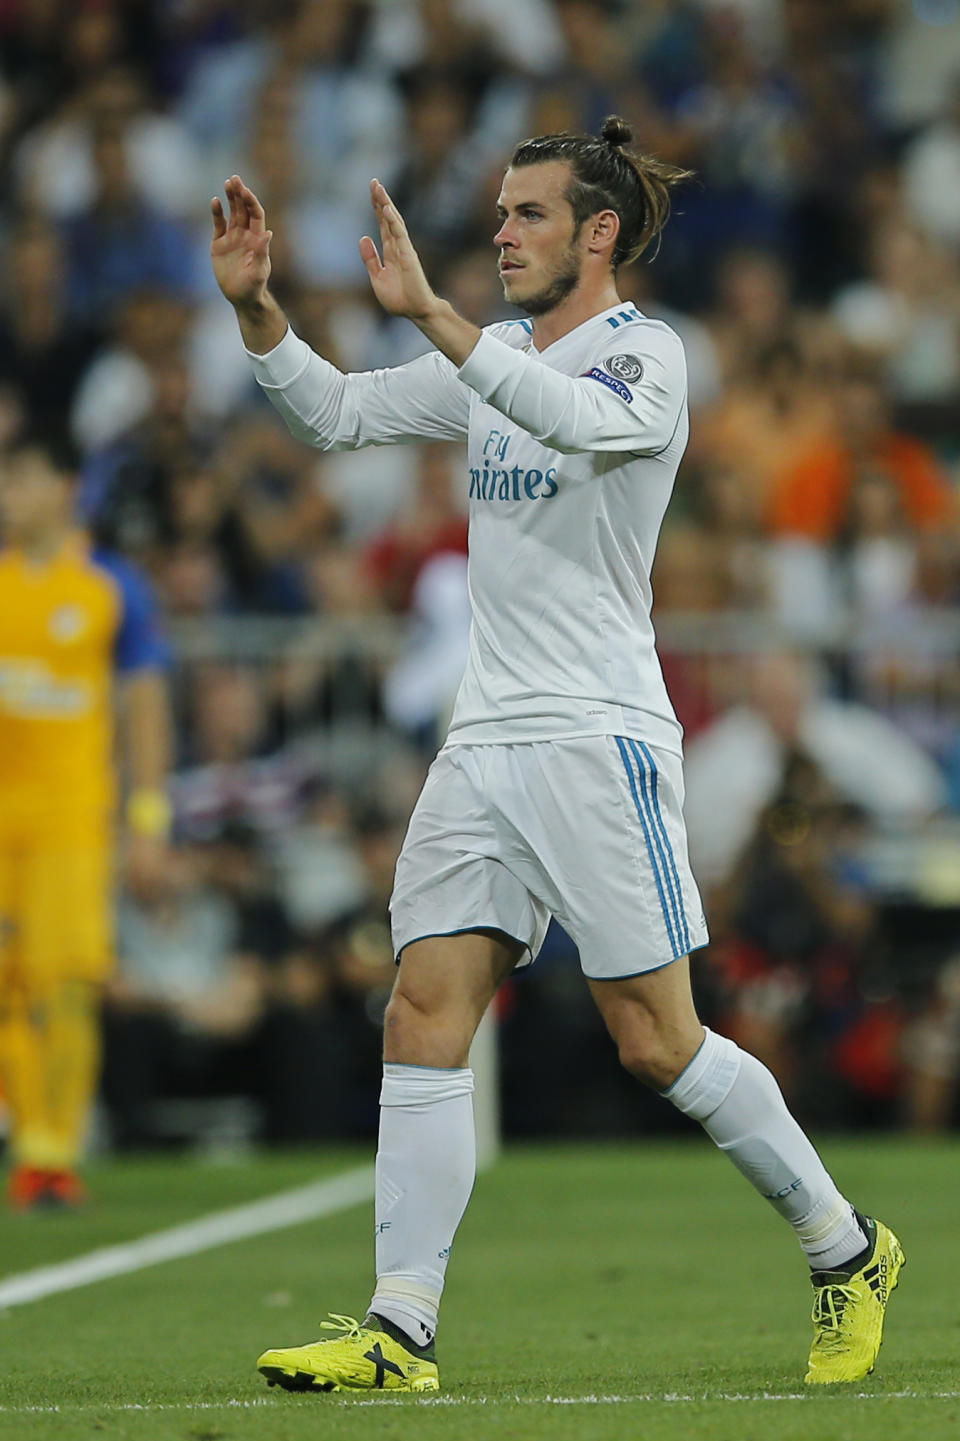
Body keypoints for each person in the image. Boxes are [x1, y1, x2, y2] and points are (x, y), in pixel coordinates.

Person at [210, 116, 903, 1394]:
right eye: (499, 212)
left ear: (598, 230)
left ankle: (844, 1245)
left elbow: (572, 423)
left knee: (657, 1041)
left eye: (527, 213)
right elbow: (339, 417)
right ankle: (399, 1327)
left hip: (600, 738)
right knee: (422, 1006)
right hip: (486, 738)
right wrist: (261, 316)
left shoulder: (650, 358)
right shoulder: (497, 352)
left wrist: (437, 320)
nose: (501, 233)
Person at [0, 426, 172, 1207]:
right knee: (7, 985)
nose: (10, 495)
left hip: (72, 818)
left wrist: (147, 819)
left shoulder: (112, 587)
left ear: (66, 488)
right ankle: (25, 1130)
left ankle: (50, 1151)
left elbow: (145, 708)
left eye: (24, 478)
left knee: (64, 981)